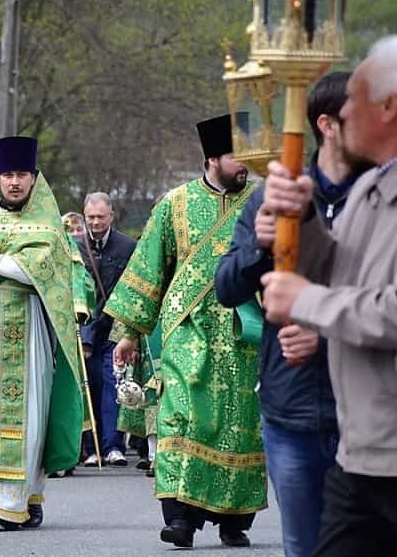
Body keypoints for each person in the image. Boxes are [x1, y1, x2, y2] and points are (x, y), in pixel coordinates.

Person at [215, 72, 368, 557]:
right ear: (327, 124)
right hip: (291, 407)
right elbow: (226, 287)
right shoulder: (270, 198)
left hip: (365, 411)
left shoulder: (380, 197)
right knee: (302, 546)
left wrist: (322, 336)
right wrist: (260, 247)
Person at [260, 36, 397, 556]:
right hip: (361, 455)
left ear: (388, 108)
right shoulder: (368, 189)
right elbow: (337, 271)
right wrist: (300, 218)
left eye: (353, 101)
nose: (341, 115)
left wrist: (306, 303)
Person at [109, 114, 265, 549]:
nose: (245, 165)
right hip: (186, 335)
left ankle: (235, 520)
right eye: (237, 156)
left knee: (238, 426)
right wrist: (128, 332)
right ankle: (179, 518)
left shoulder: (262, 202)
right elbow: (148, 270)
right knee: (182, 422)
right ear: (212, 158)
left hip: (243, 335)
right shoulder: (173, 205)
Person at [0, 136, 84, 531]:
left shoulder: (47, 225)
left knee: (28, 414)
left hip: (27, 333)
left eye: (21, 174)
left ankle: (18, 500)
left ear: (33, 178)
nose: (14, 182)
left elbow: (33, 272)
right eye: (7, 174)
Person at [78, 192, 137, 467]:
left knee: (114, 383)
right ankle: (91, 449)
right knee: (89, 386)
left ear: (111, 216)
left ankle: (113, 446)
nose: (95, 222)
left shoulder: (128, 247)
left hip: (116, 327)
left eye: (100, 216)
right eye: (90, 217)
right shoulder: (75, 247)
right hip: (87, 330)